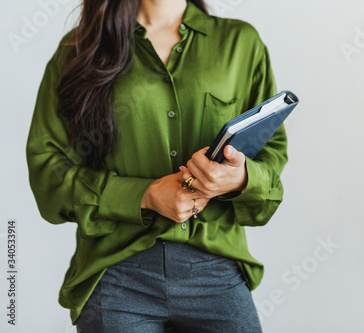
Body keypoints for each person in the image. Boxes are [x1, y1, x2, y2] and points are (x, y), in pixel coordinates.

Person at [26, 0, 287, 332]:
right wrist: (143, 195)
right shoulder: (80, 49)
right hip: (117, 274)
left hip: (215, 270)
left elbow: (271, 153)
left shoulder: (241, 42)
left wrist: (240, 178)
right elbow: (48, 171)